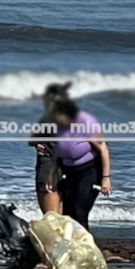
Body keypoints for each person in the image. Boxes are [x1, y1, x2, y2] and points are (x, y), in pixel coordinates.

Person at [51, 97, 112, 230]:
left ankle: (85, 247)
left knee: (80, 212)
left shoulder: (85, 122)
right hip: (69, 170)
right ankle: (71, 245)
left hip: (90, 169)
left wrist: (106, 179)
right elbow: (58, 151)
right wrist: (52, 175)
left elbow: (103, 149)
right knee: (67, 212)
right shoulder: (56, 124)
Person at [28, 82, 69, 215]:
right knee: (64, 217)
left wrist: (37, 144)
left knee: (52, 218)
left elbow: (32, 140)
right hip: (70, 168)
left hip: (49, 164)